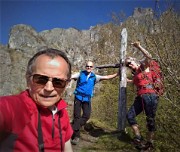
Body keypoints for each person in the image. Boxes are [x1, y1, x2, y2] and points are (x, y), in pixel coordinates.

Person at [0, 48, 73, 152]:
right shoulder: (15, 108)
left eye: (58, 82)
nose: (49, 88)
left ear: (66, 84)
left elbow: (66, 143)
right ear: (28, 80)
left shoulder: (61, 110)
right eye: (40, 79)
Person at [70, 61, 119, 145]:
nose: (89, 67)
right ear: (85, 67)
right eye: (87, 66)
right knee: (77, 117)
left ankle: (71, 128)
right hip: (78, 97)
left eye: (90, 66)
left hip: (87, 98)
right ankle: (76, 137)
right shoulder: (80, 74)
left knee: (86, 115)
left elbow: (107, 77)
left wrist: (117, 74)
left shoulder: (95, 77)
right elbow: (70, 76)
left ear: (92, 68)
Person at [125, 41, 160, 150]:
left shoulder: (144, 66)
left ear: (135, 61)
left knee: (150, 119)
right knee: (130, 115)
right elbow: (139, 82)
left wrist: (138, 46)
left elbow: (149, 56)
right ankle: (139, 137)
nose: (130, 65)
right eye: (128, 65)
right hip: (140, 96)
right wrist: (129, 81)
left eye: (130, 62)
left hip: (150, 95)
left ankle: (150, 143)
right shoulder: (136, 74)